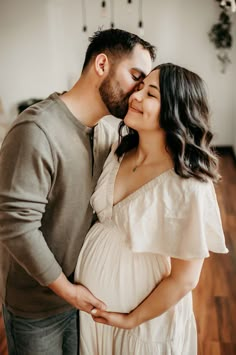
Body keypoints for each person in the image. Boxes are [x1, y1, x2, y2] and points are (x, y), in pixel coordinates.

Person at [0, 28, 156, 355]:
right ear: (101, 64)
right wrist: (69, 291)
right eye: (135, 76)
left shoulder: (103, 135)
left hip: (81, 300)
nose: (136, 94)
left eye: (143, 86)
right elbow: (16, 227)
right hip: (37, 309)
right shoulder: (36, 129)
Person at [74, 63, 228, 354]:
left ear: (176, 109)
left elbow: (185, 279)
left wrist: (131, 319)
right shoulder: (118, 151)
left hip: (143, 325)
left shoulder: (188, 184)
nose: (136, 96)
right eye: (140, 87)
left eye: (151, 93)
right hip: (93, 318)